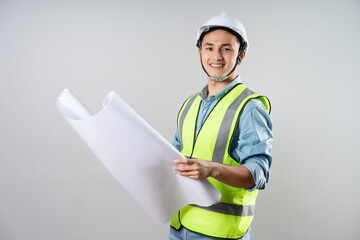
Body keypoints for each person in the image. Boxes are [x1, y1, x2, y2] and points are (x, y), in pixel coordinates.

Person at [169, 13, 273, 240]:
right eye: (209, 48)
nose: (216, 56)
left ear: (241, 55)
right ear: (200, 53)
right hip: (179, 228)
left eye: (226, 48)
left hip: (219, 235)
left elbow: (259, 174)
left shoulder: (250, 107)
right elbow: (173, 160)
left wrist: (212, 169)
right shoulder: (190, 104)